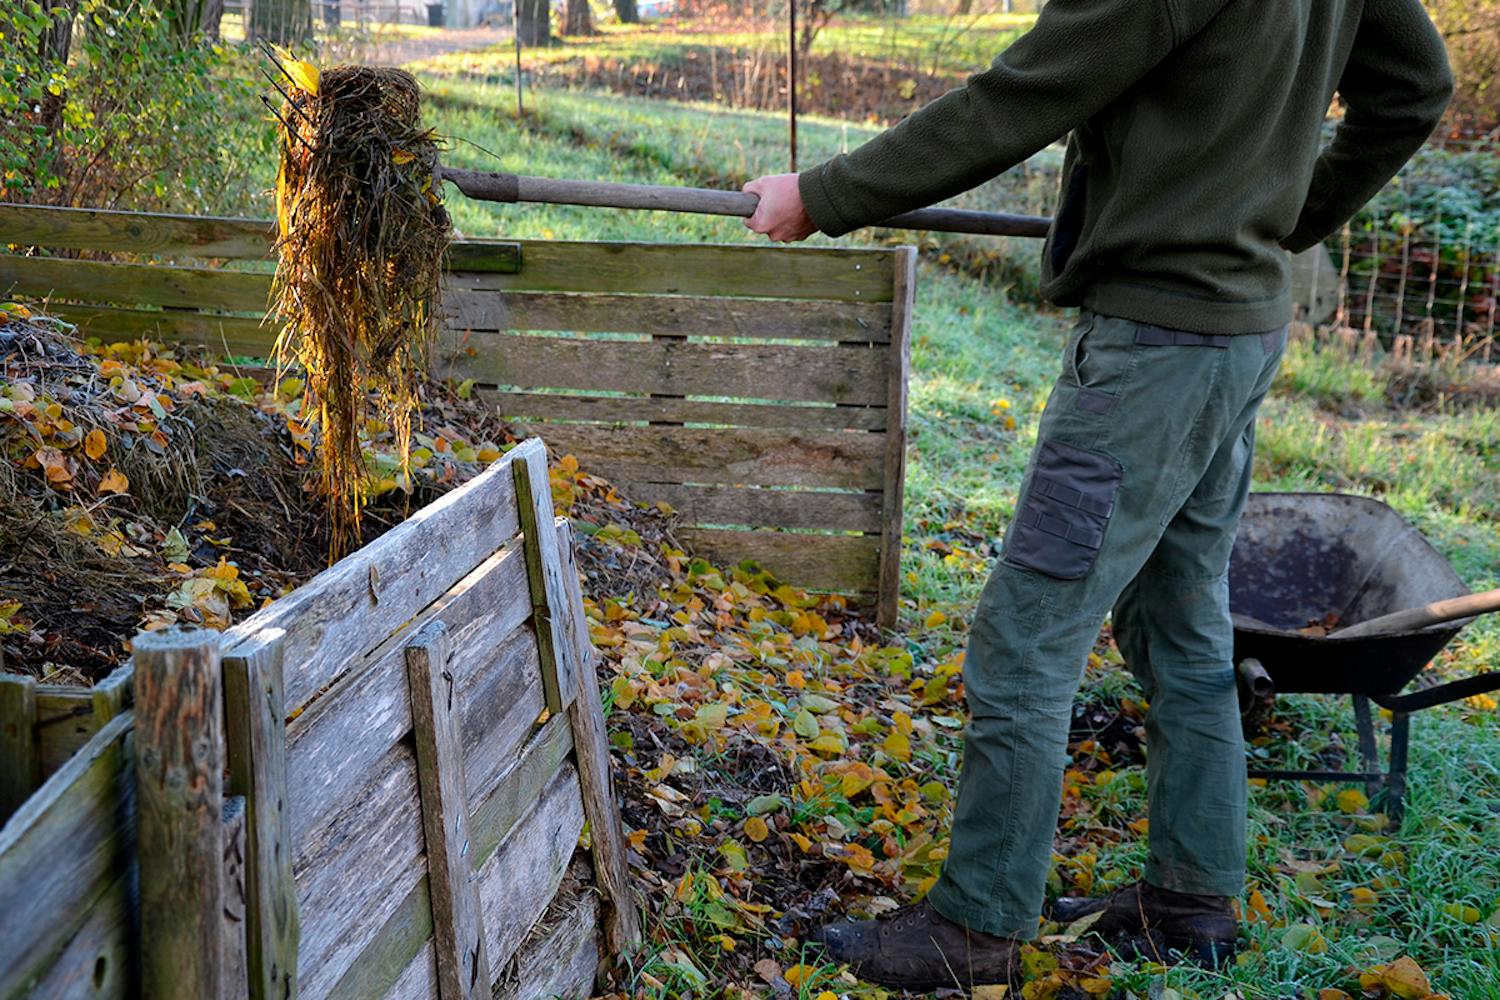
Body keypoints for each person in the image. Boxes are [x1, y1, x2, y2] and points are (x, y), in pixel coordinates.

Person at [740, 0, 1452, 990]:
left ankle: (977, 925)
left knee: (1027, 635)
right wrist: (1285, 217)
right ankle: (1194, 899)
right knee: (1180, 618)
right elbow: (1417, 85)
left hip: (1152, 358)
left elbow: (1021, 94)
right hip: (1238, 332)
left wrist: (822, 193)